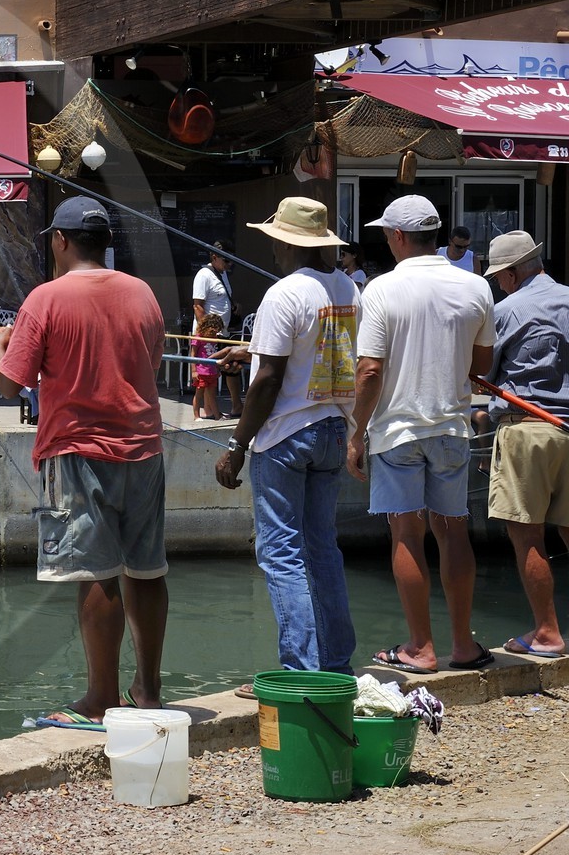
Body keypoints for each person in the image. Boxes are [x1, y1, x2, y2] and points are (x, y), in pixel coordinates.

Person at [0, 197, 167, 729]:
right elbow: (151, 361)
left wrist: (0, 346)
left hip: (77, 451)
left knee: (95, 571)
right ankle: (150, 689)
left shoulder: (45, 300)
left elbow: (9, 384)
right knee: (147, 568)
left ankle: (100, 699)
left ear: (61, 241)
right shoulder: (143, 293)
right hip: (144, 447)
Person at [348, 194, 495, 674]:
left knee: (405, 533)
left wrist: (356, 432)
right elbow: (481, 367)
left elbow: (369, 370)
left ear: (397, 236)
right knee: (453, 532)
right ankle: (463, 646)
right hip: (452, 426)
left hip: (398, 431)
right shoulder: (477, 287)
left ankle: (420, 648)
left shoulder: (381, 290)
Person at [214, 198, 359, 681]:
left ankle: (300, 670)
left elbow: (269, 380)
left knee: (280, 553)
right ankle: (336, 664)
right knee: (322, 549)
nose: (272, 246)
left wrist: (236, 446)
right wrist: (251, 349)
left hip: (285, 437)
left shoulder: (283, 294)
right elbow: (310, 350)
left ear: (286, 241)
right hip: (333, 430)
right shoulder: (347, 289)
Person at [479, 231, 569, 659]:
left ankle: (548, 634)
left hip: (527, 427)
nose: (498, 283)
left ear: (513, 273)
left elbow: (482, 371)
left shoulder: (506, 311)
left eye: (500, 276)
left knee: (527, 532)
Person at [192, 241, 242, 416]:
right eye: (226, 261)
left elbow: (221, 298)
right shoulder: (203, 275)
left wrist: (233, 305)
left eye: (231, 261)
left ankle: (235, 406)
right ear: (214, 257)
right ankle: (207, 411)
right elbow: (198, 306)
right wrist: (207, 334)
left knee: (230, 367)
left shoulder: (223, 274)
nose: (229, 265)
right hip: (210, 336)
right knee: (208, 374)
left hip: (223, 333)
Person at [190, 313, 225, 421]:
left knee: (212, 395)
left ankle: (217, 416)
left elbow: (216, 354)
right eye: (212, 330)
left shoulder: (214, 338)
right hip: (201, 371)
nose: (214, 332)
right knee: (199, 393)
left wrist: (218, 369)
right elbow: (193, 355)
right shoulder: (198, 338)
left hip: (212, 371)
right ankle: (196, 416)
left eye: (217, 330)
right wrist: (194, 371)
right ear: (205, 326)